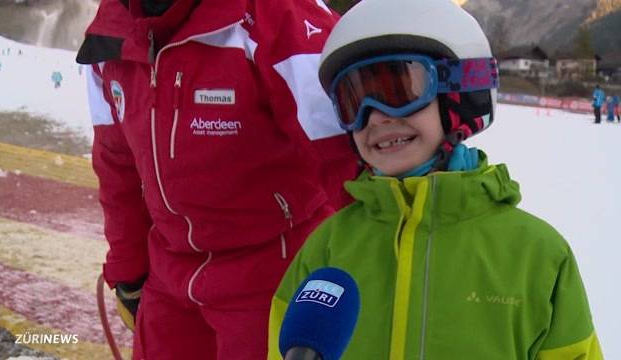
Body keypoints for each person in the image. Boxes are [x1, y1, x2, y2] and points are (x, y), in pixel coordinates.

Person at [268, 0, 603, 359]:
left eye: (399, 90)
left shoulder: (536, 255)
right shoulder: (327, 248)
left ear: (459, 95)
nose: (376, 118)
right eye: (355, 100)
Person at [76, 0, 358, 359]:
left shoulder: (275, 15)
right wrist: (129, 270)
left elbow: (349, 161)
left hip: (272, 273)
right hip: (169, 272)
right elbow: (118, 166)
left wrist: (363, 274)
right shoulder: (111, 34)